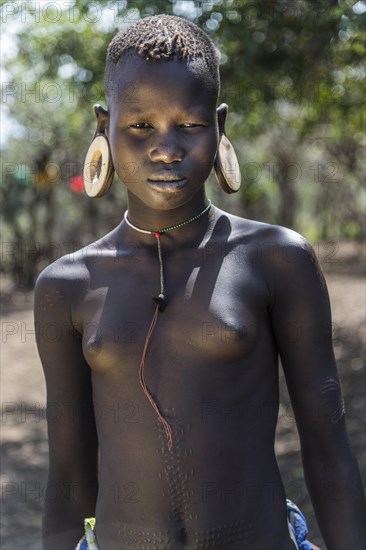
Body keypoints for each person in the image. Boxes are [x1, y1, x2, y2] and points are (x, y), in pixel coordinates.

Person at [34, 14, 366, 550]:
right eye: (140, 125)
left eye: (189, 124)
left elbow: (329, 454)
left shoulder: (276, 259)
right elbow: (69, 482)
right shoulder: (67, 285)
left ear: (218, 125)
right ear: (104, 125)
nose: (166, 149)